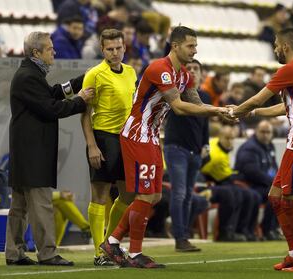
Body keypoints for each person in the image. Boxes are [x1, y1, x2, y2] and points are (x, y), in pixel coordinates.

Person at [100, 26, 231, 268]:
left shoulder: (185, 75)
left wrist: (225, 111)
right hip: (137, 134)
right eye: (191, 45)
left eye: (195, 45)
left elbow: (197, 103)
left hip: (150, 136)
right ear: (175, 46)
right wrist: (216, 110)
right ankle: (135, 252)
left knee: (156, 195)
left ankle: (113, 241)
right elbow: (179, 107)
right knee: (146, 194)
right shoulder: (160, 69)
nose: (195, 50)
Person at [229, 28, 293, 272]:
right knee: (275, 196)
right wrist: (252, 112)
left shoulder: (289, 69)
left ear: (284, 46)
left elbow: (257, 98)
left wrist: (234, 111)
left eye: (275, 45)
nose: (274, 49)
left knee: (290, 201)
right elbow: (286, 107)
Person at [6, 31, 94, 266]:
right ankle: (47, 253)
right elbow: (51, 108)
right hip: (32, 152)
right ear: (37, 52)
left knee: (20, 206)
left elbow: (52, 93)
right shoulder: (28, 76)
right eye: (50, 48)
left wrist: (79, 82)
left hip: (25, 152)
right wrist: (81, 101)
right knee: (42, 203)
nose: (54, 52)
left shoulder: (30, 74)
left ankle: (14, 253)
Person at [81, 29, 137, 266]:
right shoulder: (94, 74)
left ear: (124, 47)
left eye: (118, 48)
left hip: (126, 139)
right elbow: (85, 114)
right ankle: (98, 253)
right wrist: (92, 145)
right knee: (100, 196)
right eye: (109, 49)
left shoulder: (132, 72)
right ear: (102, 50)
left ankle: (108, 245)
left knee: (127, 195)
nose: (115, 53)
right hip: (103, 138)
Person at [164, 59, 210, 252]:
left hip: (195, 152)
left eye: (195, 69)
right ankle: (180, 237)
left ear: (201, 73)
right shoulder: (177, 92)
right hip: (177, 149)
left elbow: (205, 122)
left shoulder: (204, 96)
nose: (191, 71)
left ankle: (183, 236)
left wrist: (206, 143)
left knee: (188, 196)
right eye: (188, 68)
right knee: (180, 193)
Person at [201, 125, 259, 242]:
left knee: (253, 195)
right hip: (206, 185)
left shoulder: (222, 147)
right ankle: (226, 231)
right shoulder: (216, 155)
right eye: (227, 138)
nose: (230, 141)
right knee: (234, 192)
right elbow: (225, 177)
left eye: (232, 138)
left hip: (219, 182)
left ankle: (244, 231)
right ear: (220, 137)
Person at [234, 120, 280, 240]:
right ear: (256, 132)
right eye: (262, 132)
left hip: (263, 185)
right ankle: (266, 229)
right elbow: (252, 172)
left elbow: (275, 168)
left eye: (268, 132)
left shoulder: (270, 146)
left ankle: (272, 228)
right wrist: (274, 183)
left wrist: (280, 182)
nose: (265, 135)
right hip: (249, 184)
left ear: (272, 134)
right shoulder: (250, 148)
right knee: (274, 195)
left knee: (281, 194)